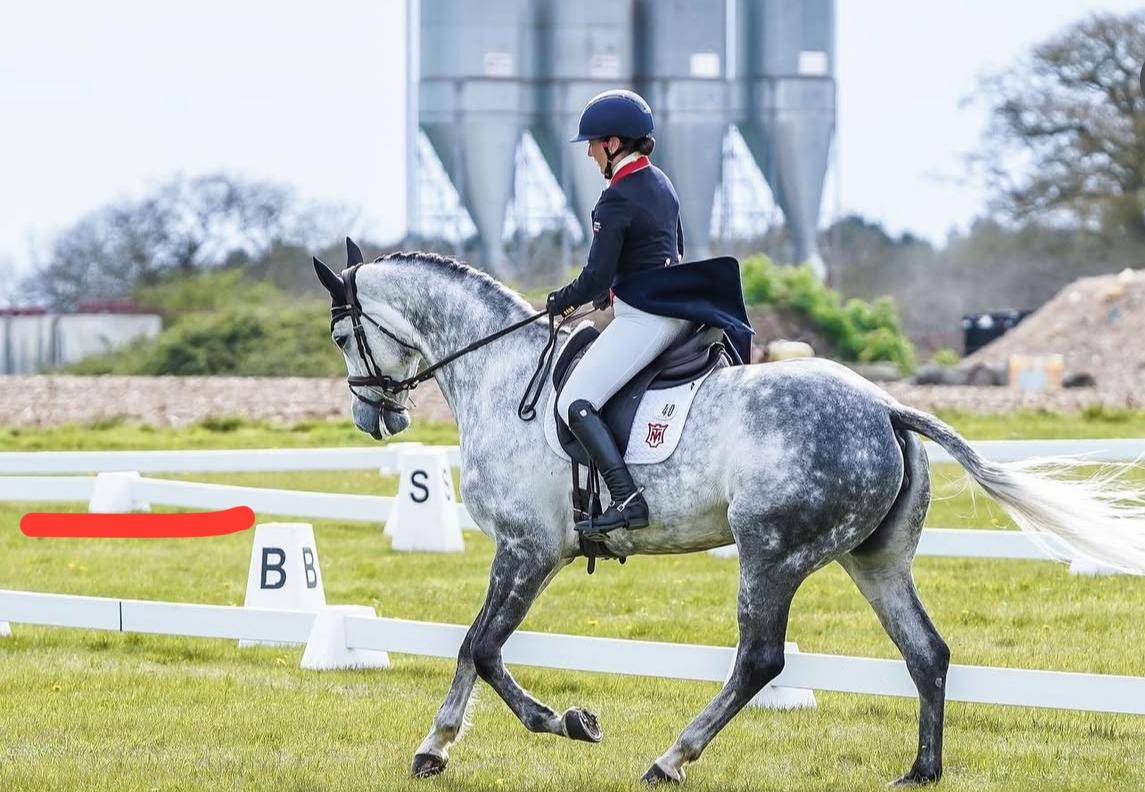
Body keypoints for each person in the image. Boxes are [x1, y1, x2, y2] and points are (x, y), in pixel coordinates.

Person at [547, 89, 696, 538]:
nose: (590, 153)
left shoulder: (617, 197)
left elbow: (595, 276)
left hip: (645, 318)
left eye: (593, 144)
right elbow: (673, 250)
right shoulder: (662, 182)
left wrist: (562, 301)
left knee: (574, 402)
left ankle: (627, 497)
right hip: (675, 307)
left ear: (613, 144)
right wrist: (612, 294)